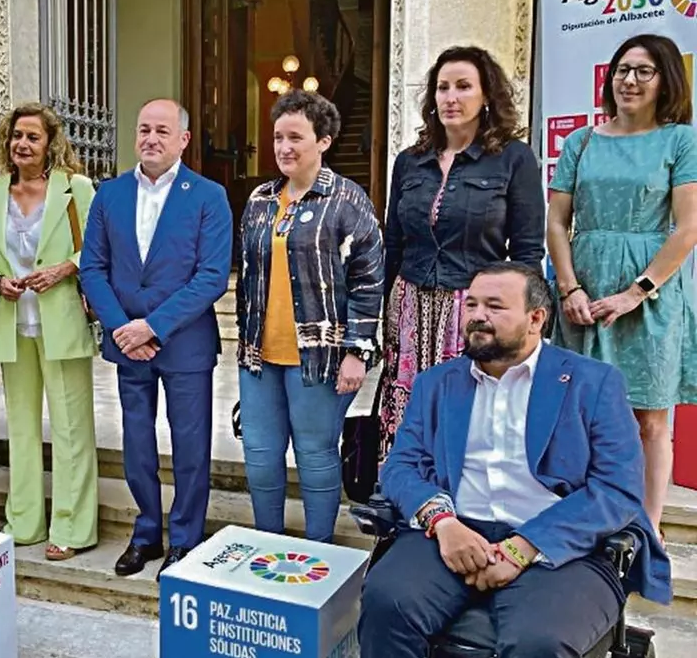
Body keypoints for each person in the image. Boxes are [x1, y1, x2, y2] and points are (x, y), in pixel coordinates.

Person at [358, 262, 670, 658]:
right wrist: (443, 522)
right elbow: (401, 466)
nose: (477, 316)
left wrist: (524, 547)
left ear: (536, 318)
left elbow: (617, 489)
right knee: (387, 605)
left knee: (538, 642)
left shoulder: (593, 383)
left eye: (494, 306)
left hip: (558, 544)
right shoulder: (436, 383)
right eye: (471, 304)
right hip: (455, 531)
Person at [547, 33, 697, 539]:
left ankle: (646, 531)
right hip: (584, 291)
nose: (629, 80)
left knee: (651, 418)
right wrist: (569, 289)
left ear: (665, 81)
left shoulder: (681, 140)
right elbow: (556, 222)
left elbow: (688, 228)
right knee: (581, 413)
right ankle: (590, 517)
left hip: (651, 295)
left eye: (643, 71)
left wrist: (637, 292)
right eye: (622, 70)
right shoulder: (581, 141)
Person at [79, 98, 232, 579]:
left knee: (190, 445)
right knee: (137, 443)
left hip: (184, 344)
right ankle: (146, 532)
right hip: (128, 342)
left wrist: (153, 326)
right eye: (144, 129)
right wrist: (122, 328)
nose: (151, 138)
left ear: (183, 140)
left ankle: (185, 538)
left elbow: (212, 276)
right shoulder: (110, 194)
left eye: (162, 131)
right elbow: (92, 268)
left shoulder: (208, 196)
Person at [378, 46, 546, 455]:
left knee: (468, 414)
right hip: (410, 306)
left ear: (487, 95)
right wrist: (382, 313)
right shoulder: (409, 162)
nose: (451, 98)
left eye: (463, 87)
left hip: (474, 309)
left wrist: (524, 324)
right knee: (409, 412)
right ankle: (407, 489)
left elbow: (527, 251)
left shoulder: (513, 159)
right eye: (442, 88)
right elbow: (394, 242)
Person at [236, 90, 383, 542]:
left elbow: (369, 279)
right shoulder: (260, 199)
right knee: (260, 454)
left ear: (323, 141)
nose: (284, 147)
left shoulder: (347, 199)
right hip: (259, 355)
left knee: (316, 453)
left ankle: (320, 547)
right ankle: (266, 541)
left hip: (319, 356)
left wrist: (357, 351)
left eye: (295, 137)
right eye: (278, 137)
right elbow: (247, 277)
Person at [0, 103, 99, 559]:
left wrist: (65, 268)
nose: (22, 144)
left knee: (71, 428)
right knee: (21, 428)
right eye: (16, 135)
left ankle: (72, 527)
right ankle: (24, 521)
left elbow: (100, 247)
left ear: (50, 144)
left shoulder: (76, 188)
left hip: (62, 321)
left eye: (32, 136)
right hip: (13, 323)